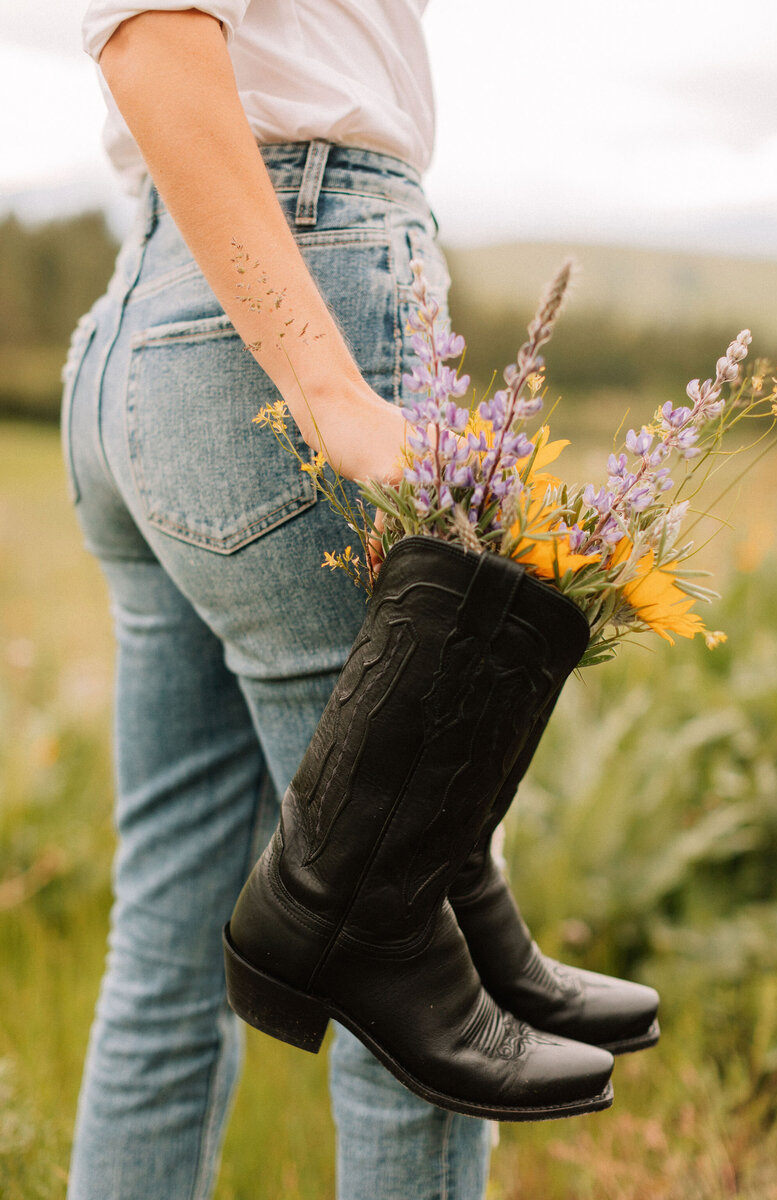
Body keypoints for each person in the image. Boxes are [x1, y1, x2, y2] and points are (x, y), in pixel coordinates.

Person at [64, 4, 496, 1197]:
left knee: (166, 937)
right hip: (291, 280)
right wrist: (326, 386)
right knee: (407, 960)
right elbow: (148, 29)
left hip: (149, 311)